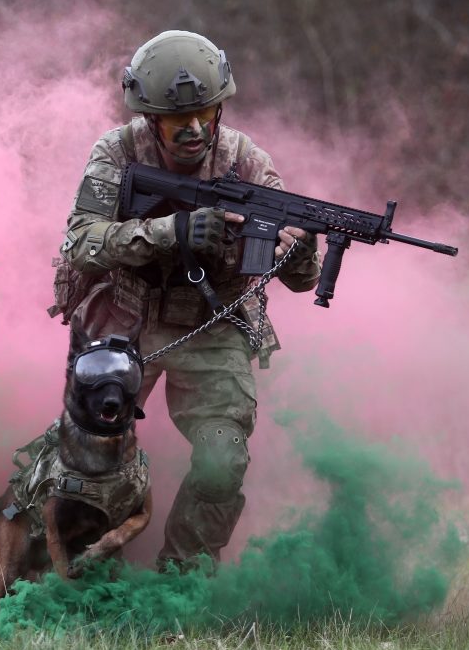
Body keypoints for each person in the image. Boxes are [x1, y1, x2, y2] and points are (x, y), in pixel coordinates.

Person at [51, 30, 321, 569]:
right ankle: (79, 573)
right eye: (180, 120)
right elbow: (81, 243)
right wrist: (169, 232)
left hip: (212, 323)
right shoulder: (119, 152)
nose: (195, 129)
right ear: (152, 117)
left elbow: (302, 279)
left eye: (207, 113)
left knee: (223, 460)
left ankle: (180, 582)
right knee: (88, 459)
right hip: (126, 318)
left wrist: (299, 248)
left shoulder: (246, 161)